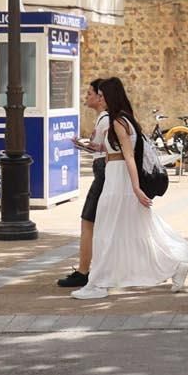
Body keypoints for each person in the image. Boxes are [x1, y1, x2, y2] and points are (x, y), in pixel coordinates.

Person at [73, 77, 188, 300]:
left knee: (107, 231)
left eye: (102, 96)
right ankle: (172, 265)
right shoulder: (122, 120)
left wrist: (136, 188)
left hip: (119, 181)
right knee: (129, 229)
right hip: (116, 177)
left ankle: (98, 283)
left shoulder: (119, 122)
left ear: (110, 96)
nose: (100, 99)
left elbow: (128, 156)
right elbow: (118, 151)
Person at [56, 80, 110, 289]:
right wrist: (86, 146)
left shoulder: (105, 119)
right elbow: (103, 149)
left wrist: (90, 146)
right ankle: (87, 269)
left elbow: (110, 150)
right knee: (94, 222)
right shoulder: (103, 119)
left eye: (89, 93)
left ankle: (83, 271)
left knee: (88, 221)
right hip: (102, 171)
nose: (86, 97)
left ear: (100, 97)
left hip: (103, 173)